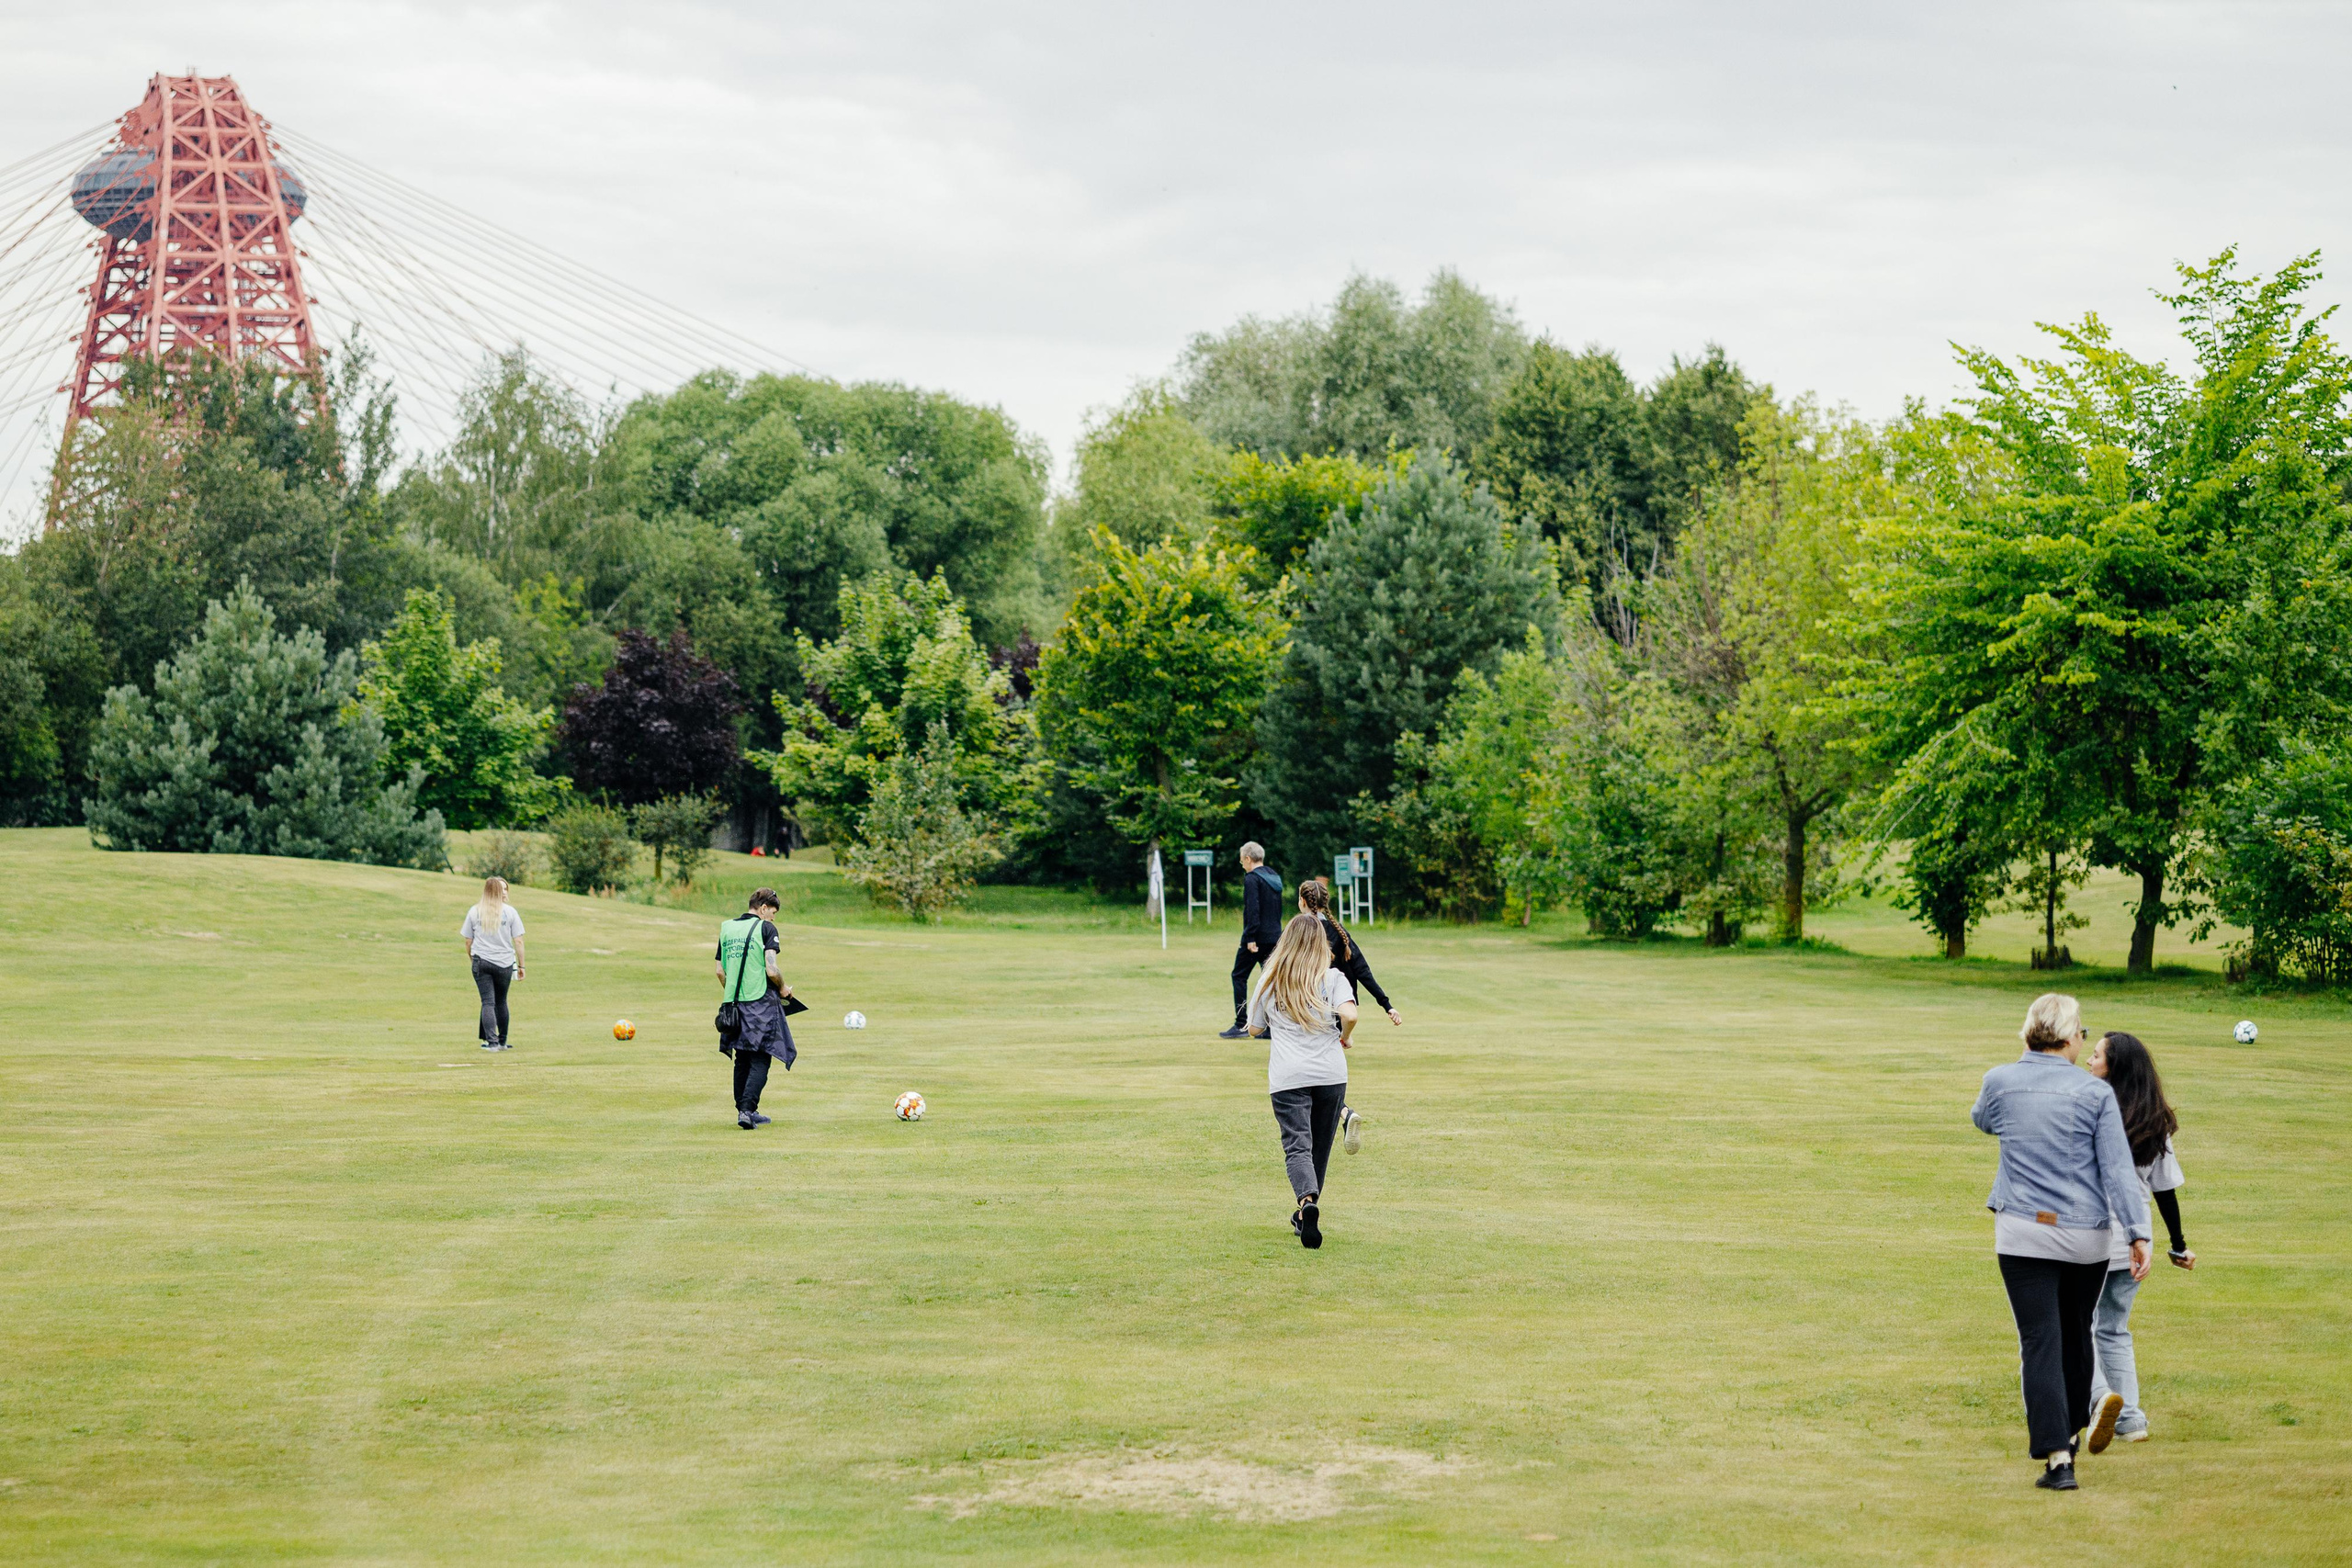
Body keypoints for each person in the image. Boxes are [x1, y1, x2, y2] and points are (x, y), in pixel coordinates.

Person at [1972, 992, 2151, 1491]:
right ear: (2071, 1037)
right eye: (2083, 1034)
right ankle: (2068, 1437)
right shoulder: (2095, 1094)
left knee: (2041, 1341)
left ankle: (2058, 1456)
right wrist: (2138, 1232)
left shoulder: (1999, 1081)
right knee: (2075, 1336)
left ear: (2030, 1032)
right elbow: (2117, 1170)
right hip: (2084, 1237)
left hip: (2022, 1232)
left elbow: (1983, 1119)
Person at [2084, 1031, 2195, 1447]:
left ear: (2115, 1067)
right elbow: (2165, 1190)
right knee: (2113, 1329)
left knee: (2078, 1325)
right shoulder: (2154, 1119)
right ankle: (2131, 1420)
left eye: (2096, 1056)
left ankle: (2100, 1400)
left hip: (2092, 1236)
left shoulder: (2094, 1108)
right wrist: (2178, 1244)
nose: (2089, 1061)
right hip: (2137, 1244)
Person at [1246, 912, 1358, 1248]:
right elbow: (1350, 1014)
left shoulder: (1270, 980)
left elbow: (1253, 1028)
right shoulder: (1333, 977)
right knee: (1319, 1149)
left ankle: (1307, 1204)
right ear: (1320, 945)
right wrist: (1345, 1036)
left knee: (1298, 1145)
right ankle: (1305, 1211)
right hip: (1330, 1073)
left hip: (1288, 1075)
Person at [1296, 879, 1399, 1154]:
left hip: (1309, 1011)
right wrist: (1386, 1004)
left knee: (1304, 1075)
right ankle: (1342, 1115)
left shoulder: (1300, 930)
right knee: (1321, 1071)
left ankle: (1340, 1113)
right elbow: (1362, 968)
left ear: (1303, 902)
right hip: (1337, 1011)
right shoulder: (1338, 931)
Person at [716, 888, 796, 1130]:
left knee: (742, 1057)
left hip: (732, 1004)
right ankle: (748, 1111)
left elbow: (720, 971)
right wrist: (783, 989)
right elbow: (771, 970)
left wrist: (732, 993)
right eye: (772, 913)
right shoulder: (766, 929)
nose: (772, 918)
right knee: (761, 1058)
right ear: (763, 908)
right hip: (760, 1002)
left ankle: (744, 1109)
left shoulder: (727, 928)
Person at [1217, 842, 1285, 1040]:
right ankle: (1272, 1026)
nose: (1241, 863)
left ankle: (1241, 1024)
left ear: (1248, 858)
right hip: (1275, 937)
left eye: (1242, 860)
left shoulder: (1252, 879)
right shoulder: (1274, 876)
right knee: (1272, 981)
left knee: (1238, 976)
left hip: (1256, 938)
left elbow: (1252, 910)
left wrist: (1250, 937)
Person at [458, 876, 525, 1052]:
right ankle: (502, 1042)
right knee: (501, 1001)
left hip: (482, 961)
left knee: (488, 1002)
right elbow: (518, 941)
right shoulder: (510, 912)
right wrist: (521, 966)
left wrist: (472, 959)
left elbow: (468, 941)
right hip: (504, 963)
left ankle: (492, 1043)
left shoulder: (475, 911)